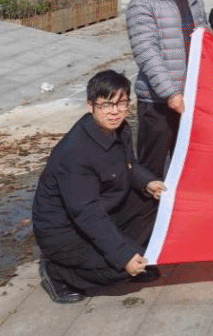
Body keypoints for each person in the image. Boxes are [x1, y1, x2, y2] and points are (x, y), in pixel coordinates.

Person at [33, 70, 166, 303]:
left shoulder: (120, 128)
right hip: (64, 232)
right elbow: (87, 213)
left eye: (121, 103)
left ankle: (133, 255)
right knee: (120, 268)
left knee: (160, 202)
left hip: (103, 207)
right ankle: (57, 273)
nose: (115, 111)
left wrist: (148, 182)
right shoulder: (75, 152)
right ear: (90, 106)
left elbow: (129, 165)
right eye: (106, 105)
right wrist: (123, 255)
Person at [126, 0, 207, 178]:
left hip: (190, 99)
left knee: (187, 168)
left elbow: (204, 41)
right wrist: (170, 93)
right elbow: (146, 53)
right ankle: (145, 206)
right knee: (152, 172)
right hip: (158, 103)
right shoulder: (143, 3)